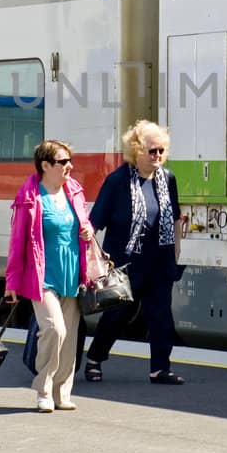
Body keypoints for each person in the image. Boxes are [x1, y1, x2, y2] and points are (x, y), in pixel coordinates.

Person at [85, 120, 184, 385]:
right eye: (152, 151)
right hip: (125, 264)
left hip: (160, 262)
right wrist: (95, 261)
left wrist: (176, 253)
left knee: (162, 316)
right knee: (117, 316)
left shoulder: (168, 179)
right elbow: (94, 223)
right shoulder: (117, 182)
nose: (158, 156)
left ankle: (160, 368)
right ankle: (95, 358)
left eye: (162, 150)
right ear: (136, 151)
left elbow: (174, 217)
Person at [4, 139, 94, 413]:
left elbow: (83, 223)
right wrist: (11, 282)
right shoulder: (30, 197)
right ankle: (43, 389)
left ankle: (61, 393)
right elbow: (17, 242)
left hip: (73, 274)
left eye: (70, 161)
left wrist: (88, 231)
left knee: (70, 339)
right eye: (63, 162)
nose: (70, 166)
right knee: (55, 329)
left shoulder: (74, 191)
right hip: (42, 276)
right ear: (45, 165)